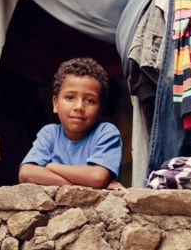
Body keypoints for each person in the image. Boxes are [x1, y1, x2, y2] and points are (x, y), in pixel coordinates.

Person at [18, 58, 123, 189]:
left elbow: (97, 178)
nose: (79, 107)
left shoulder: (106, 132)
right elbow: (26, 173)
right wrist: (83, 185)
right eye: (70, 98)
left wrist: (51, 166)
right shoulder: (49, 133)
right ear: (55, 103)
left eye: (90, 101)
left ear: (100, 108)